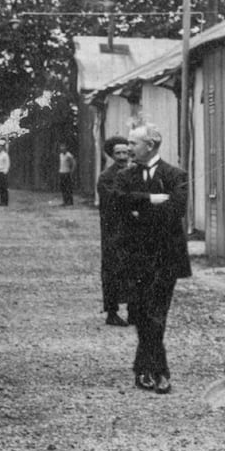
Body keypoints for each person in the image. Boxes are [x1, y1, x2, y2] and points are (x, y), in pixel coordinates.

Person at [114, 125, 189, 393]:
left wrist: (139, 210)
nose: (129, 148)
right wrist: (152, 199)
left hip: (166, 257)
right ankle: (153, 369)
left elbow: (176, 210)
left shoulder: (175, 175)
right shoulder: (124, 176)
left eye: (134, 143)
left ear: (151, 145)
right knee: (141, 313)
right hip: (135, 257)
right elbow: (117, 204)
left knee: (157, 313)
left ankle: (152, 370)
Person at [95, 135, 137, 327]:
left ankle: (134, 312)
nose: (122, 156)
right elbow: (113, 200)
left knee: (135, 269)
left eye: (125, 152)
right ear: (112, 155)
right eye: (118, 153)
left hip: (134, 229)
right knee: (112, 270)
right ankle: (111, 312)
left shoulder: (136, 173)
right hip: (113, 230)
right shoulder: (106, 177)